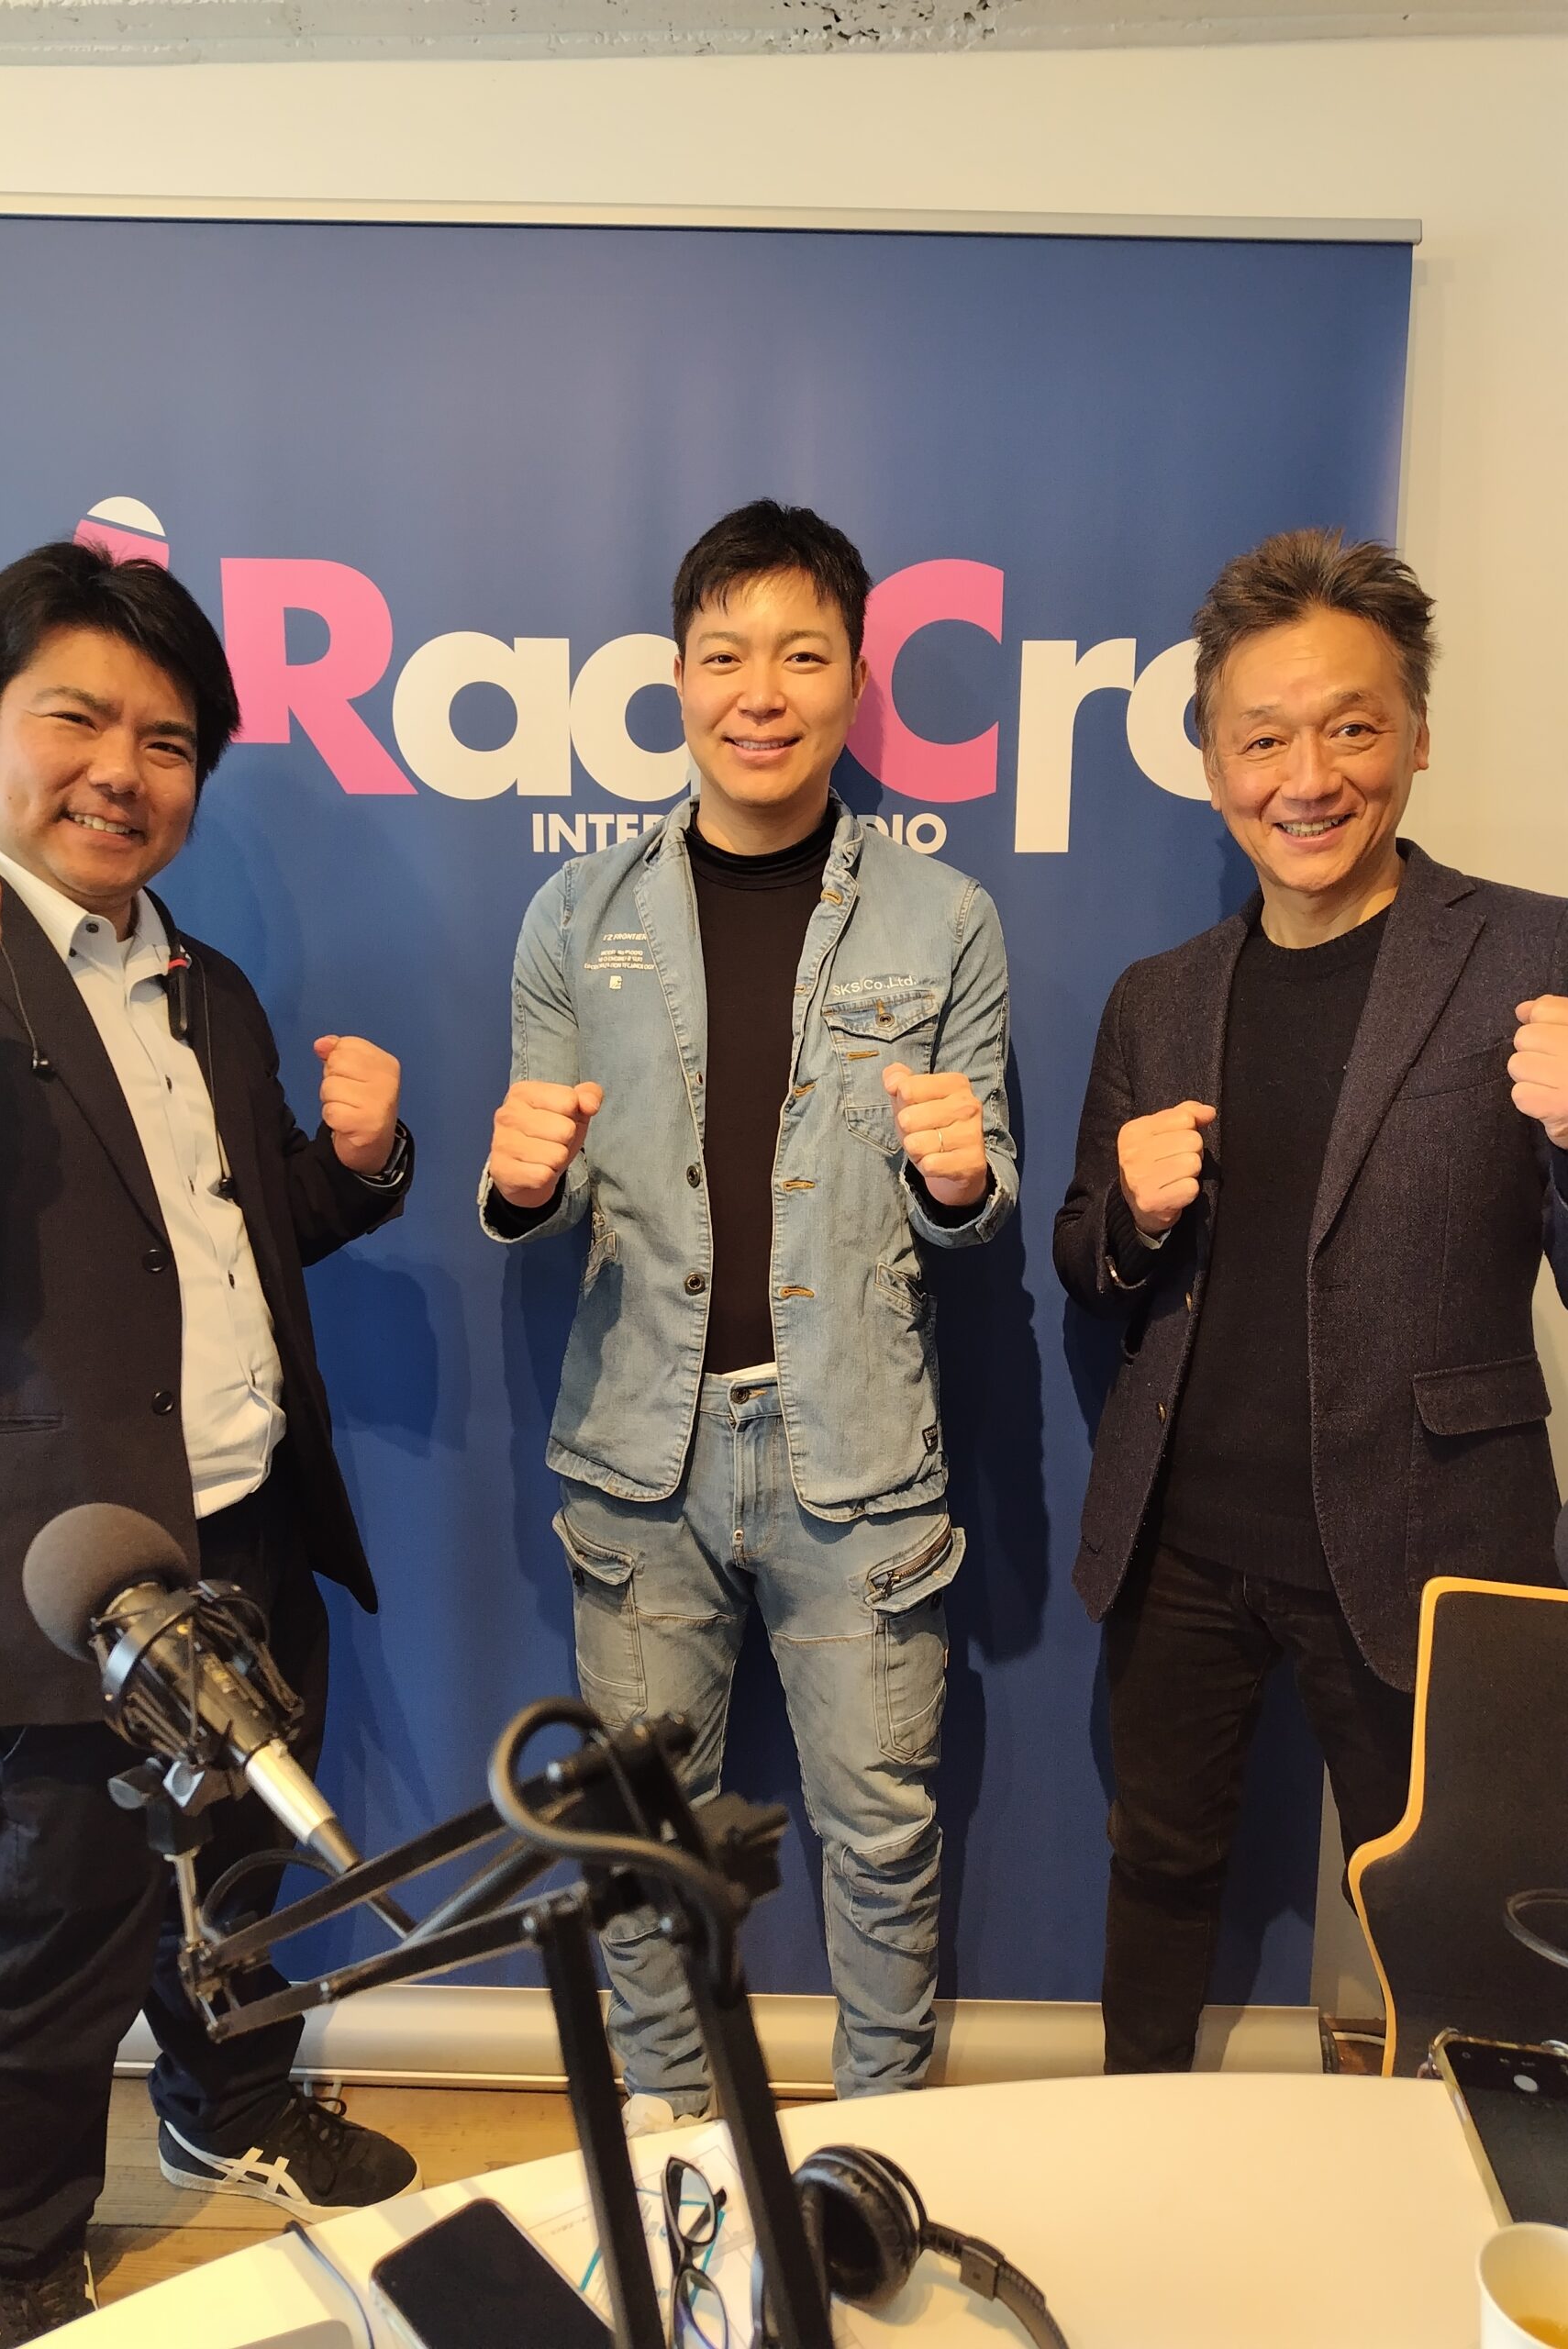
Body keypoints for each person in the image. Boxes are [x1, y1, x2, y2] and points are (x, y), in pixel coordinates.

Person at [0, 542, 420, 2344]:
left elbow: (220, 1239)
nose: (121, 771)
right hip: (54, 1573)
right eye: (74, 719)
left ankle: (229, 2103)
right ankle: (19, 2252)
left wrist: (358, 1168)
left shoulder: (208, 984)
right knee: (54, 1931)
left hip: (243, 1531)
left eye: (165, 740)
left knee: (238, 1881)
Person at [480, 499, 1018, 2126]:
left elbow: (976, 1202)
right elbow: (541, 1186)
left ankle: (876, 2150)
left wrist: (958, 1176)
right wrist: (516, 1180)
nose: (760, 693)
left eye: (801, 655)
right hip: (637, 1454)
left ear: (855, 679)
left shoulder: (945, 919)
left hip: (860, 1456)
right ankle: (673, 2139)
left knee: (883, 1832)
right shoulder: (577, 916)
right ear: (677, 676)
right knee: (643, 1833)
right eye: (725, 656)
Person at [1054, 528, 1568, 2074]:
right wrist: (1134, 1219)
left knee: (1460, 1914)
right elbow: (1083, 1260)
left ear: (1416, 734)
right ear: (1213, 759)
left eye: (1351, 727)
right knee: (1157, 1871)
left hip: (1435, 1535)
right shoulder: (1159, 995)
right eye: (1263, 737)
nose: (1307, 776)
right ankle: (1135, 2144)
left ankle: (1464, 2189)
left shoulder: (1535, 951)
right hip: (1183, 1539)